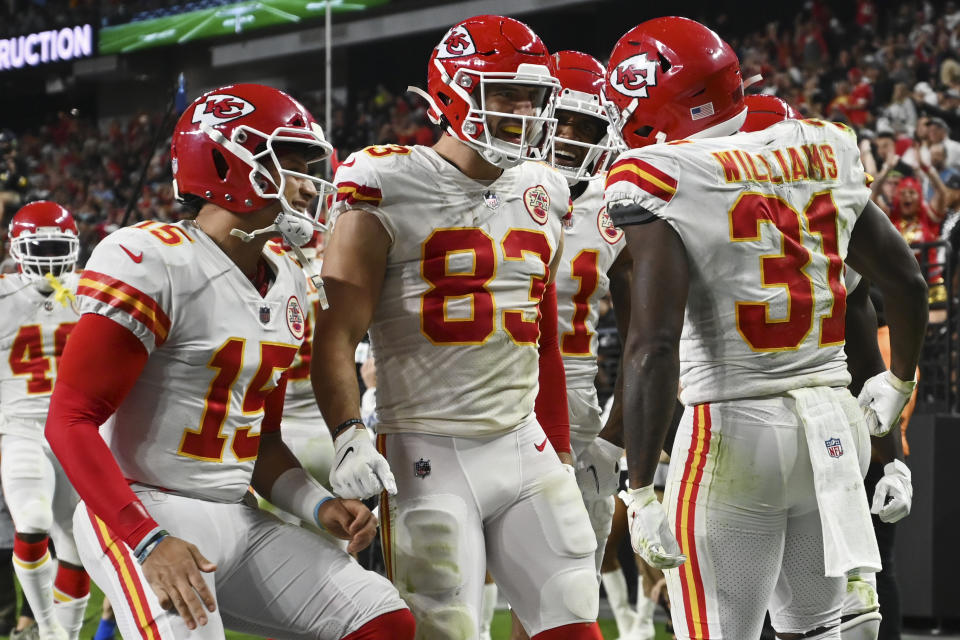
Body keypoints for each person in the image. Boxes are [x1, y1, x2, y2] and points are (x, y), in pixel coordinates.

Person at [44, 83, 414, 640]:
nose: (306, 184)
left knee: (382, 619)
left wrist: (317, 506)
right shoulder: (152, 258)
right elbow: (69, 418)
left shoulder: (286, 277)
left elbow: (259, 442)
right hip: (144, 507)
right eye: (288, 163)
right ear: (228, 162)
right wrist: (146, 539)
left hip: (237, 512)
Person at [602, 17, 928, 640]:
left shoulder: (662, 174)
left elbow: (653, 344)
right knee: (820, 632)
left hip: (732, 430)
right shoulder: (824, 145)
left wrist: (640, 486)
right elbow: (906, 284)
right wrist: (902, 381)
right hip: (833, 428)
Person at [312, 15, 602, 640]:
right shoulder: (386, 180)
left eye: (532, 96)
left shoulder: (547, 188)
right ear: (452, 93)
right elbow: (335, 331)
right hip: (425, 449)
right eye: (503, 93)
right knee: (446, 627)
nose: (522, 111)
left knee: (574, 619)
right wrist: (345, 432)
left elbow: (540, 336)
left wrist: (560, 440)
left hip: (522, 443)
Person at [0, 201, 89, 640]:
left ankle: (65, 638)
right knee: (32, 521)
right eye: (41, 245)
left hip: (77, 431)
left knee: (77, 547)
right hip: (22, 429)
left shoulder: (89, 288)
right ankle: (48, 627)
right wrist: (28, 298)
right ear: (17, 248)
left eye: (58, 245)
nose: (50, 256)